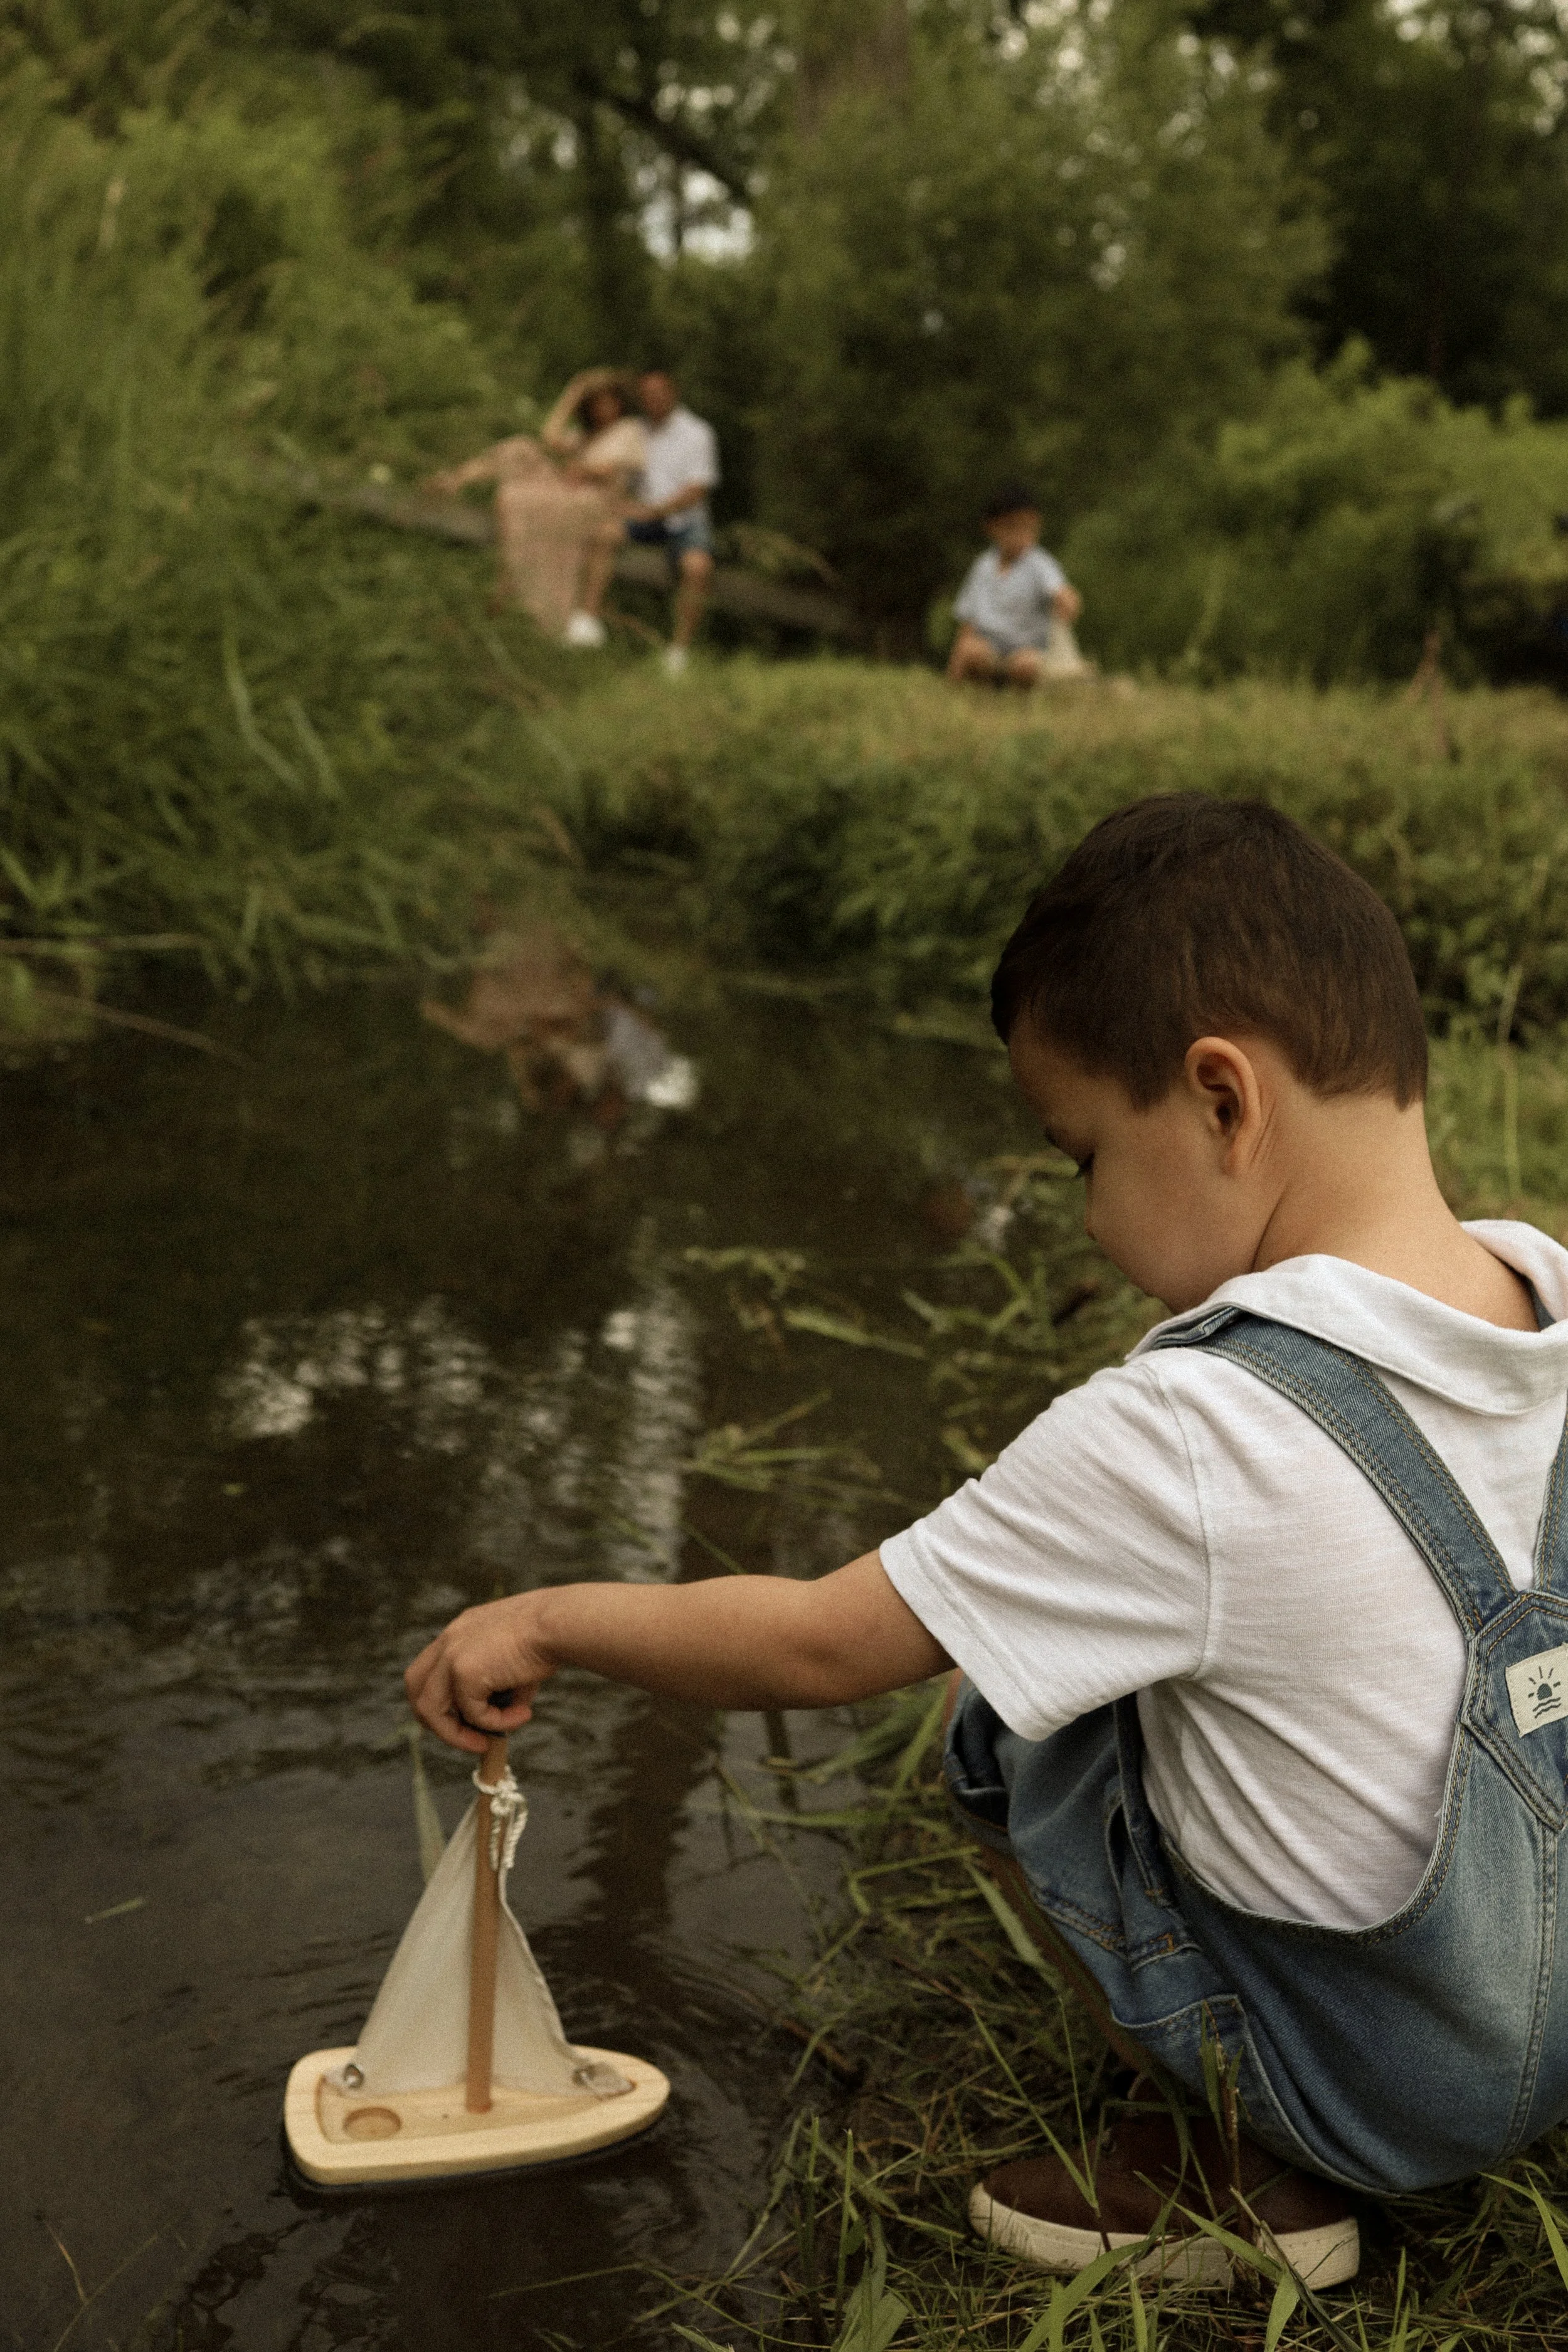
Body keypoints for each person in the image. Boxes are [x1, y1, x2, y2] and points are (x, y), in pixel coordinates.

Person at [406, 793, 1568, 2287]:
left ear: (1224, 1098)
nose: (1085, 1217)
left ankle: (1242, 2176)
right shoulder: (1544, 1297)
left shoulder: (1192, 1431)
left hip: (1387, 2087)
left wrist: (551, 1617)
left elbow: (823, 1643)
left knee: (1005, 1722)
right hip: (1546, 2015)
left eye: (1082, 1151)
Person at [426, 369, 645, 646]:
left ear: (619, 403)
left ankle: (520, 596)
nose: (602, 409)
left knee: (519, 497)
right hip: (569, 490)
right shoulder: (585, 435)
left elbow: (605, 471)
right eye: (595, 403)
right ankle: (455, 479)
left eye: (607, 402)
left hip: (594, 503)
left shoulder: (627, 430)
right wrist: (573, 393)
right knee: (522, 448)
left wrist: (582, 470)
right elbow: (549, 437)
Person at [623, 368, 719, 676]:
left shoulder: (698, 432)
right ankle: (585, 622)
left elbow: (698, 489)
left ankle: (679, 650)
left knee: (698, 567)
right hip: (642, 516)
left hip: (683, 520)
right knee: (601, 534)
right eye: (647, 395)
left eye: (659, 393)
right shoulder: (633, 432)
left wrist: (655, 511)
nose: (653, 400)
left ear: (673, 394)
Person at [948, 486, 1088, 687]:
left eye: (1029, 528)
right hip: (990, 649)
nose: (1021, 535)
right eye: (1013, 527)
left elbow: (1062, 591)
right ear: (992, 528)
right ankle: (989, 684)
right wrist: (955, 668)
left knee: (1026, 666)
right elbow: (968, 623)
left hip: (1027, 650)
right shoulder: (983, 566)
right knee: (971, 652)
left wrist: (1067, 602)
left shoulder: (1040, 563)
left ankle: (1010, 686)